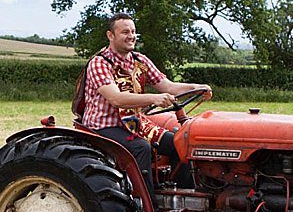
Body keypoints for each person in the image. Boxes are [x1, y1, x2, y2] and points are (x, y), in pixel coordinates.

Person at [73, 14, 211, 193]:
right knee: (141, 148)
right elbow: (116, 98)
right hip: (104, 127)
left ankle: (187, 198)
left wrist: (197, 87)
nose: (131, 36)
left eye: (133, 31)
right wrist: (153, 98)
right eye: (125, 32)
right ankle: (146, 208)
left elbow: (167, 85)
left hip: (134, 123)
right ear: (110, 35)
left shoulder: (140, 60)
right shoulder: (100, 63)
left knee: (180, 144)